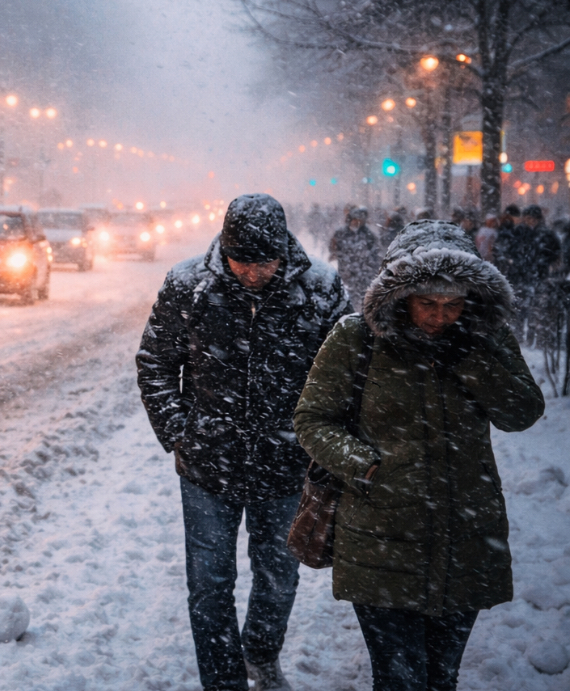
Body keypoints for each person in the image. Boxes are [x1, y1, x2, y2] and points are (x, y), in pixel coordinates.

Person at [293, 219, 543, 691]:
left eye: (453, 305)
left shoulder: (487, 339)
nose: (439, 316)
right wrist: (366, 466)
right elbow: (312, 419)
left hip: (465, 537)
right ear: (400, 296)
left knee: (441, 678)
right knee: (399, 680)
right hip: (380, 538)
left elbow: (522, 412)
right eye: (427, 303)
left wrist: (470, 356)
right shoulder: (356, 338)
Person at [136, 194, 349, 691]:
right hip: (207, 466)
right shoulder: (188, 285)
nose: (252, 274)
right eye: (241, 262)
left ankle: (261, 652)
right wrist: (181, 432)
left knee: (279, 577)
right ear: (225, 250)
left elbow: (347, 376)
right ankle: (222, 679)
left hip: (287, 464)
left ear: (283, 252)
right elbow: (155, 364)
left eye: (264, 263)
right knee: (209, 584)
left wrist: (322, 444)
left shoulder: (320, 289)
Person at [329, 206, 381, 313]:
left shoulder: (368, 234)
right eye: (355, 219)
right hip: (347, 274)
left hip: (365, 275)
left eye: (360, 220)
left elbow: (376, 253)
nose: (357, 222)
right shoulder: (340, 233)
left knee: (363, 301)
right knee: (348, 300)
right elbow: (333, 249)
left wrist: (372, 268)